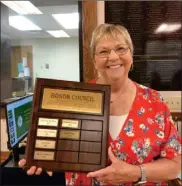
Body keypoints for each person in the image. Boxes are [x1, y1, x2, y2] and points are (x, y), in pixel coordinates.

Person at [19, 24, 181, 186]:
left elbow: (175, 166)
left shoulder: (155, 102)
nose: (113, 57)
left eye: (121, 49)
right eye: (104, 51)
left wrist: (135, 173)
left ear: (131, 55)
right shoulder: (73, 99)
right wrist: (40, 154)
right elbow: (57, 144)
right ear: (94, 60)